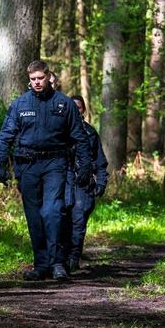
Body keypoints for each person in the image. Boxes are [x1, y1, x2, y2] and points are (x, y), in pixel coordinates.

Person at [0, 59, 92, 281]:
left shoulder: (64, 104)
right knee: (34, 215)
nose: (37, 82)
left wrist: (85, 166)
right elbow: (5, 135)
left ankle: (58, 263)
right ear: (28, 80)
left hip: (55, 163)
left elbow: (80, 137)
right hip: (28, 165)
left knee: (53, 211)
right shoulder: (20, 104)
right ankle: (41, 264)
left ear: (48, 77)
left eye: (40, 78)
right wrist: (1, 163)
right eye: (33, 79)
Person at [62, 95, 108, 271]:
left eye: (79, 107)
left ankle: (74, 257)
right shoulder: (59, 130)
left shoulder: (90, 132)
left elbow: (100, 161)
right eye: (72, 106)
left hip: (84, 183)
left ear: (83, 110)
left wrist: (101, 182)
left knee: (78, 220)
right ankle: (59, 259)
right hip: (63, 181)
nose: (75, 109)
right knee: (61, 219)